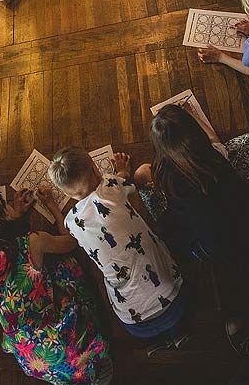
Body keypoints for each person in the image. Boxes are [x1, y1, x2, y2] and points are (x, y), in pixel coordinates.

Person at [133, 103, 249, 358]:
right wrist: (193, 115)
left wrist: (139, 174)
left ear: (162, 151)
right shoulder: (215, 156)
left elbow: (145, 178)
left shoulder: (169, 179)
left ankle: (235, 316)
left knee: (168, 235)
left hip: (212, 243)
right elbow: (214, 139)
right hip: (245, 217)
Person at [0, 187, 112, 385]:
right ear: (4, 215)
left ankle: (84, 373)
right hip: (61, 341)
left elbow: (14, 267)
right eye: (7, 205)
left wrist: (15, 216)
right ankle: (93, 363)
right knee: (66, 264)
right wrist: (52, 206)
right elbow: (71, 242)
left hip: (29, 357)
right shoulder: (33, 241)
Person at [48, 148, 188, 346]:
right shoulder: (111, 187)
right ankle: (178, 333)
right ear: (97, 171)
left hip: (133, 323)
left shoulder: (71, 221)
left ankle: (155, 344)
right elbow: (125, 181)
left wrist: (53, 206)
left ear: (65, 192)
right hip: (173, 299)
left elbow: (66, 230)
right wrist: (121, 170)